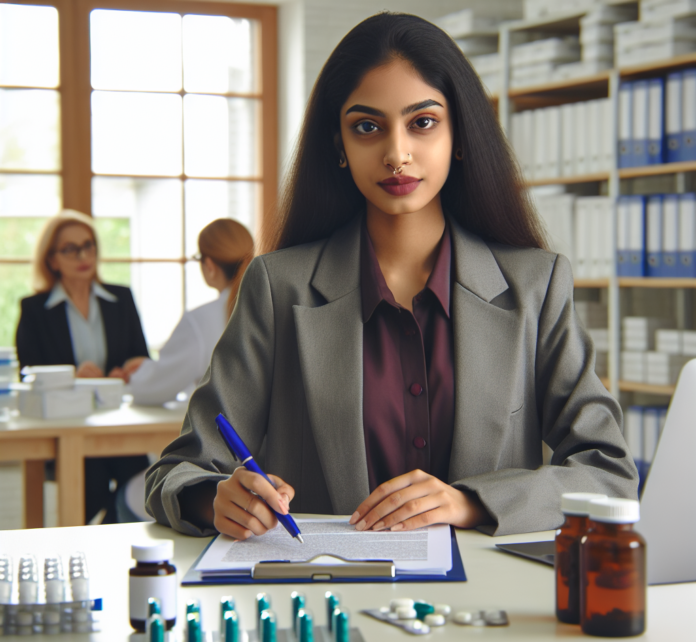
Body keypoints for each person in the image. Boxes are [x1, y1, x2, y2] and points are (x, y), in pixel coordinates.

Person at [145, 12, 638, 540]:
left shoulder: (536, 287)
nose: (396, 154)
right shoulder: (276, 286)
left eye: (422, 122)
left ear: (460, 135)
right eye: (367, 127)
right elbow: (176, 472)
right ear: (339, 146)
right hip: (325, 599)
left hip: (487, 609)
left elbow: (608, 474)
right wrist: (214, 498)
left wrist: (469, 503)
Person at [16, 209, 150, 523]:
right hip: (66, 427)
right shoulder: (34, 309)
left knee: (143, 483)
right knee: (91, 490)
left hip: (118, 422)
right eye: (70, 249)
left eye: (88, 245)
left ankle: (108, 542)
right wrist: (71, 377)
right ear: (51, 259)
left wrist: (127, 370)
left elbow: (141, 357)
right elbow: (29, 373)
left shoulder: (121, 298)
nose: (83, 255)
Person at [116, 218, 254, 406]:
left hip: (225, 433)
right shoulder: (275, 306)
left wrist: (138, 374)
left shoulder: (201, 321)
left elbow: (156, 388)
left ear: (210, 266)